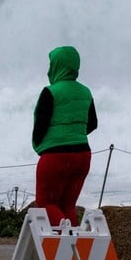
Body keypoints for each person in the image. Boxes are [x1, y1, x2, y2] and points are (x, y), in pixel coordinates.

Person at [32, 45, 98, 226]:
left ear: (57, 66)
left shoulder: (50, 92)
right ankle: (74, 251)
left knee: (46, 204)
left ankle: (65, 241)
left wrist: (41, 146)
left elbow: (40, 126)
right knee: (68, 206)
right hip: (83, 155)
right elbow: (92, 123)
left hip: (55, 156)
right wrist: (74, 134)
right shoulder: (86, 92)